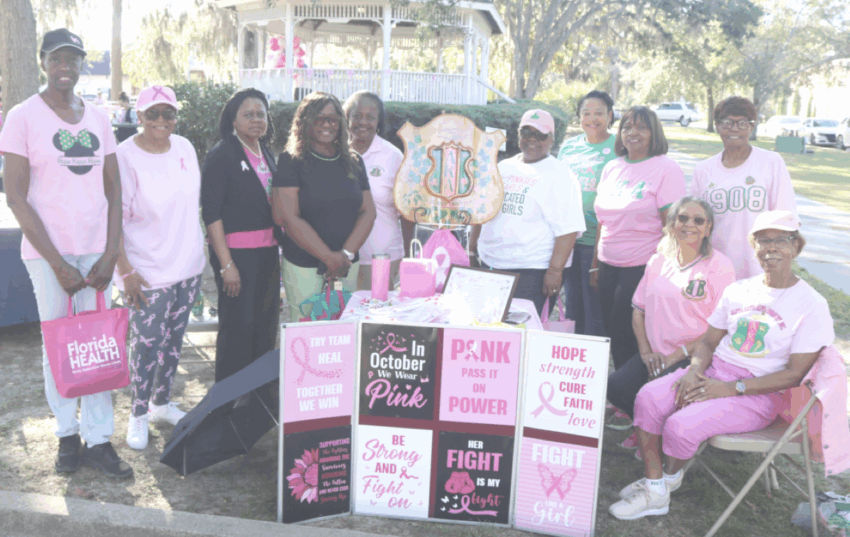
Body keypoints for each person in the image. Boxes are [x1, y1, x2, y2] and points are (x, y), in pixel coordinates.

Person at [609, 210, 834, 521]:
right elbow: (708, 343)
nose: (770, 248)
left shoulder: (811, 304)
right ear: (753, 247)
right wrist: (693, 371)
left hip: (759, 392)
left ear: (796, 246)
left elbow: (795, 375)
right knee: (648, 396)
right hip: (714, 372)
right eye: (762, 241)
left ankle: (663, 483)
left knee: (681, 425)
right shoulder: (740, 289)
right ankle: (656, 486)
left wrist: (730, 389)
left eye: (780, 240)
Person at [0, 28, 132, 478]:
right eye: (57, 59)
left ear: (81, 65)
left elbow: (114, 189)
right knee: (56, 346)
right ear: (42, 62)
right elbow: (16, 195)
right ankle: (65, 436)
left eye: (73, 60)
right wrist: (57, 263)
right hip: (48, 256)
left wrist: (111, 252)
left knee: (97, 345)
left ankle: (98, 439)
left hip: (96, 255)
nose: (65, 68)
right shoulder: (22, 116)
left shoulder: (97, 117)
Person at [115, 85, 205, 450]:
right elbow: (115, 219)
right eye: (152, 114)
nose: (161, 120)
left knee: (172, 342)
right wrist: (126, 271)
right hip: (147, 272)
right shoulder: (124, 155)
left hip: (188, 266)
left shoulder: (185, 147)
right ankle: (137, 415)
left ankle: (161, 404)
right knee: (146, 346)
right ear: (138, 117)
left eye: (168, 113)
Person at [607, 197, 735, 423]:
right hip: (656, 354)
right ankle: (644, 429)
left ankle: (662, 435)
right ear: (672, 224)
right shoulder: (658, 260)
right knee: (615, 387)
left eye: (698, 220)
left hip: (694, 355)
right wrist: (646, 352)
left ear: (708, 229)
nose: (689, 225)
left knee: (657, 395)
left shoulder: (720, 266)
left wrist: (678, 355)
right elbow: (638, 311)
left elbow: (720, 327)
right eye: (682, 218)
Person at [593, 106, 686, 370]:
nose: (633, 133)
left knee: (630, 332)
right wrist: (594, 263)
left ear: (653, 132)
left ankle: (635, 395)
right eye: (627, 127)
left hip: (643, 266)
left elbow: (674, 226)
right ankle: (623, 389)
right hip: (607, 262)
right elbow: (603, 220)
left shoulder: (666, 169)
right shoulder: (612, 167)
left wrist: (666, 270)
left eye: (641, 127)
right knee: (612, 329)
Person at [272, 92, 376, 322]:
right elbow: (288, 217)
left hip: (347, 265)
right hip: (304, 266)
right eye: (318, 118)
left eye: (333, 119)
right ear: (304, 121)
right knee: (307, 334)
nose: (326, 124)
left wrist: (344, 255)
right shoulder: (291, 161)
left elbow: (368, 212)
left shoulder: (355, 161)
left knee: (342, 331)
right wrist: (328, 257)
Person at [471, 109, 586, 317]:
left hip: (532, 271)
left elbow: (569, 230)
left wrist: (555, 271)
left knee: (523, 333)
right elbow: (482, 209)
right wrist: (471, 250)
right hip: (492, 265)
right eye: (526, 133)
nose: (532, 140)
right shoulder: (503, 167)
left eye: (540, 135)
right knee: (490, 327)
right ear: (518, 134)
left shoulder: (561, 175)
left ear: (551, 139)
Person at [201, 88, 282, 382]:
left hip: (268, 255)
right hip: (236, 259)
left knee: (265, 327)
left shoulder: (267, 153)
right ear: (233, 120)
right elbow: (211, 214)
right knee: (237, 330)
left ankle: (256, 398)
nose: (256, 120)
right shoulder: (221, 155)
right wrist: (226, 265)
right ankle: (228, 403)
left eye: (261, 114)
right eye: (248, 115)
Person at [690, 96, 798, 280]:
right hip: (714, 267)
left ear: (751, 126)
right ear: (717, 126)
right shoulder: (703, 170)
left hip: (759, 268)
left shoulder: (771, 162)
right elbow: (694, 222)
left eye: (742, 123)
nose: (734, 128)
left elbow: (785, 218)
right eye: (727, 122)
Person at [557, 90, 617, 337]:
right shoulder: (569, 147)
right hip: (568, 240)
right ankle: (573, 362)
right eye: (586, 113)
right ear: (579, 117)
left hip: (599, 243)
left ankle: (594, 363)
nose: (593, 119)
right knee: (573, 307)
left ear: (610, 116)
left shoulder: (619, 146)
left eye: (599, 113)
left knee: (596, 309)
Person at [342, 91, 412, 290]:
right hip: (340, 260)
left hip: (382, 257)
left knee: (377, 319)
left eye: (370, 117)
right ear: (346, 117)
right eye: (356, 116)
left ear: (379, 122)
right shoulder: (335, 152)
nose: (362, 122)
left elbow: (407, 213)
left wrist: (409, 256)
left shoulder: (393, 156)